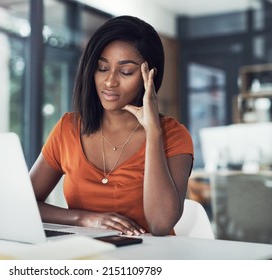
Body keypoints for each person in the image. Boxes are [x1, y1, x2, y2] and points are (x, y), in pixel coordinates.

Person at [29, 15, 193, 236]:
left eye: (126, 72)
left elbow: (160, 224)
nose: (110, 81)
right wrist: (83, 218)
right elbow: (25, 204)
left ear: (150, 76)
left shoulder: (174, 136)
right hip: (85, 257)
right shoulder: (68, 128)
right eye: (102, 68)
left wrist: (153, 131)